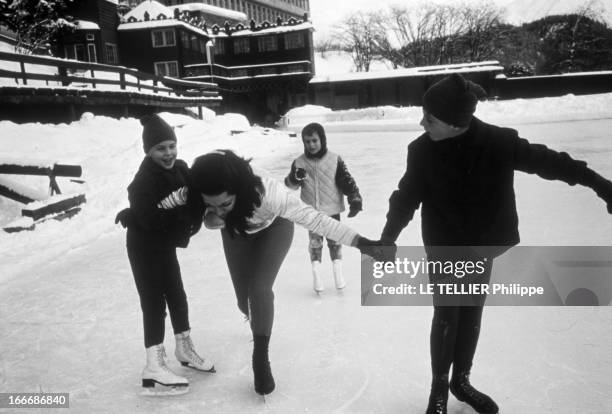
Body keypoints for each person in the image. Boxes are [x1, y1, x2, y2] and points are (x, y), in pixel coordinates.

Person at [367, 74, 612, 414]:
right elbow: (406, 197)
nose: (421, 123)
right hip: (446, 245)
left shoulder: (498, 142)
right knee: (448, 314)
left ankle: (461, 381)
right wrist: (388, 238)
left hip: (483, 243)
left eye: (430, 118)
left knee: (471, 312)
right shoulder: (422, 151)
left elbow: (549, 162)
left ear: (455, 124)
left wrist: (598, 184)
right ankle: (439, 388)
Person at [189, 150, 371, 396]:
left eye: (224, 204)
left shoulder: (270, 194)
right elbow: (167, 201)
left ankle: (261, 358)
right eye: (211, 205)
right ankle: (254, 317)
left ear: (238, 190)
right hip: (238, 233)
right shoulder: (196, 193)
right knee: (244, 302)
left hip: (274, 227)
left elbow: (317, 220)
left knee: (259, 290)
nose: (219, 211)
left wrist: (362, 243)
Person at [116, 114, 215, 396]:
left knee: (177, 295)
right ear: (148, 151)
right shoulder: (142, 182)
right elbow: (152, 222)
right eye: (160, 148)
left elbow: (195, 195)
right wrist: (175, 209)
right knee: (154, 302)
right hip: (144, 245)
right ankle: (153, 366)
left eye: (172, 145)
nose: (168, 153)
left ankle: (184, 347)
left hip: (164, 244)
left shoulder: (182, 170)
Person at [284, 122, 362, 293]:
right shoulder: (299, 162)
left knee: (335, 242)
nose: (311, 145)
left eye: (314, 140)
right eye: (307, 142)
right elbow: (290, 185)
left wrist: (354, 198)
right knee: (315, 243)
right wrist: (294, 178)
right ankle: (316, 272)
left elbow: (347, 181)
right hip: (310, 212)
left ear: (322, 140)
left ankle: (338, 270)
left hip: (332, 210)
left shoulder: (334, 159)